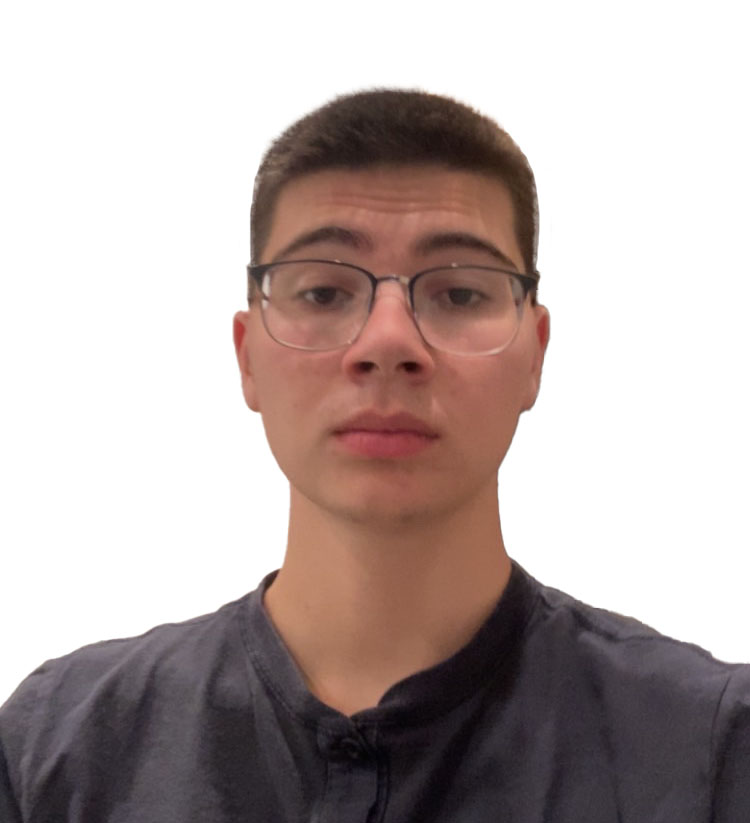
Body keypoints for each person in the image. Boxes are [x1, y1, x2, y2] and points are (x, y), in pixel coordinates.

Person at [1, 89, 748, 822]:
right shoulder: (59, 750)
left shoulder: (706, 752)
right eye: (324, 293)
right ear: (247, 356)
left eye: (459, 294)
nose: (388, 342)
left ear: (535, 354)